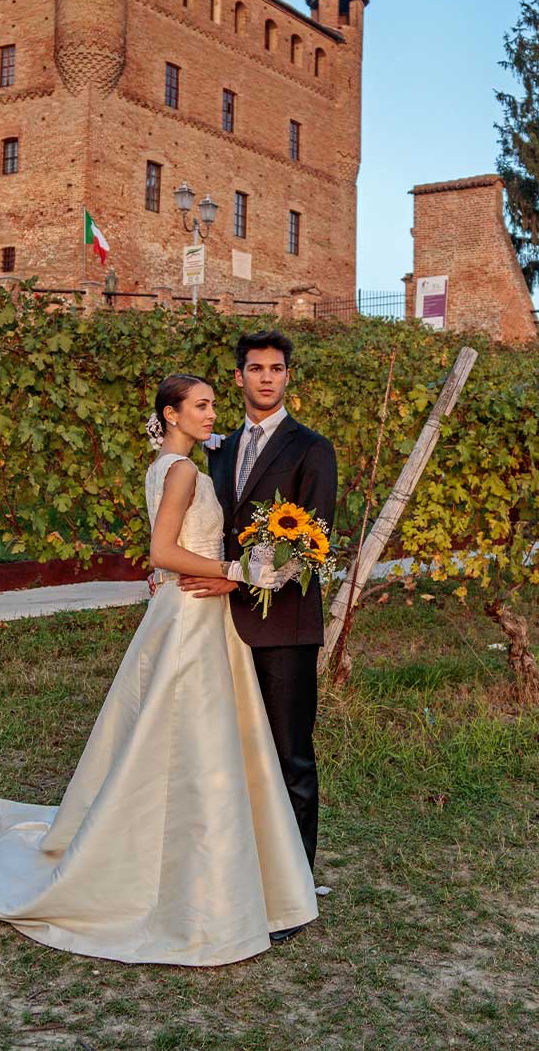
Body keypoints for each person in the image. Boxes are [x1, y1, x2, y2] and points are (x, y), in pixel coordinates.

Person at [0, 374, 318, 965]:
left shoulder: (164, 465)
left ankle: (193, 855)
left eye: (214, 404)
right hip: (193, 615)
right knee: (197, 742)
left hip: (187, 607)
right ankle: (200, 878)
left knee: (183, 740)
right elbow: (163, 552)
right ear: (170, 413)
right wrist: (242, 571)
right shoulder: (184, 471)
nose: (212, 414)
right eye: (201, 406)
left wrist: (229, 569)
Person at [180, 330, 337, 942]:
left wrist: (238, 581)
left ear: (288, 377)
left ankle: (293, 888)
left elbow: (312, 544)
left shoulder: (312, 449)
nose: (266, 378)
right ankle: (239, 872)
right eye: (255, 368)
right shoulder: (219, 450)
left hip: (286, 625)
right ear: (239, 377)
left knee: (290, 754)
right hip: (218, 622)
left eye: (276, 368)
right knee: (233, 753)